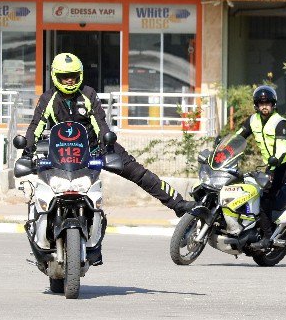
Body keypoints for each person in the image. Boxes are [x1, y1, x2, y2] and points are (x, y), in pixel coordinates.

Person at [23, 52, 196, 218]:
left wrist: (107, 143)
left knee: (139, 173)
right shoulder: (48, 98)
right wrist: (26, 152)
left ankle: (178, 204)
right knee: (43, 185)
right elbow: (35, 127)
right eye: (65, 76)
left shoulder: (89, 94)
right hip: (61, 153)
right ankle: (40, 222)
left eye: (74, 75)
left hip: (94, 148)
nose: (70, 80)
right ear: (55, 76)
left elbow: (100, 124)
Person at [235, 85, 286, 249]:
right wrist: (223, 148)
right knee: (265, 197)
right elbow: (238, 137)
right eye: (261, 103)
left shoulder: (279, 122)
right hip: (273, 165)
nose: (265, 106)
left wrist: (272, 166)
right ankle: (267, 237)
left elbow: (281, 148)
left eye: (268, 103)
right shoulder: (252, 121)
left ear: (273, 104)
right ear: (256, 105)